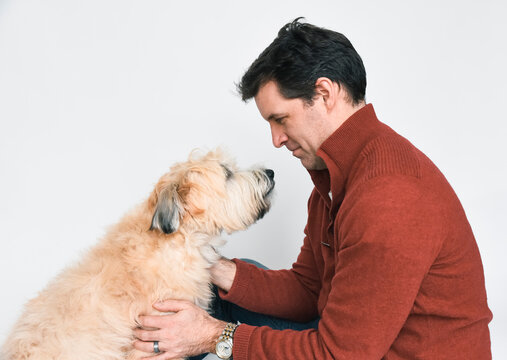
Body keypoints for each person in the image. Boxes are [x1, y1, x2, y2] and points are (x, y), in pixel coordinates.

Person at [133, 18, 492, 359]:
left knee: (209, 337)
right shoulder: (338, 173)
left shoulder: (388, 196)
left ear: (324, 93)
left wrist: (215, 337)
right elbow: (310, 289)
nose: (276, 140)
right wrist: (211, 266)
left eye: (280, 119)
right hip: (360, 347)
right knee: (212, 295)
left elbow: (339, 354)